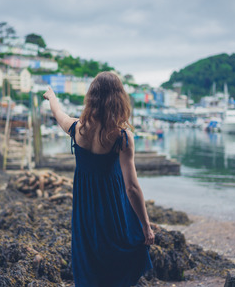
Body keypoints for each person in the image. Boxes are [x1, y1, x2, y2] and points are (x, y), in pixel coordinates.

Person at [43, 71, 154, 287]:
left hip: (85, 210)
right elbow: (131, 187)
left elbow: (58, 113)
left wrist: (52, 96)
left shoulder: (77, 129)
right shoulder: (121, 136)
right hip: (112, 210)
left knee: (89, 259)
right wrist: (146, 225)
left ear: (91, 97)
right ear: (119, 99)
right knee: (119, 255)